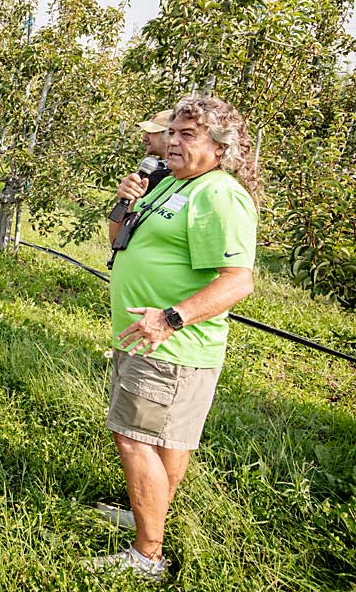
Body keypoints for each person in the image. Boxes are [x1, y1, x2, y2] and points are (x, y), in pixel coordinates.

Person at [88, 95, 259, 582]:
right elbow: (118, 239)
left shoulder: (217, 194)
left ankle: (147, 556)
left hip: (170, 348)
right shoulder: (173, 183)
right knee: (163, 443)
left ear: (220, 147)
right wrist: (124, 203)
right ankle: (150, 515)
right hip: (142, 339)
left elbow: (236, 280)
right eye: (174, 132)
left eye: (189, 135)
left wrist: (170, 318)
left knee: (134, 438)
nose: (174, 141)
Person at [136, 109, 174, 192]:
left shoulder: (178, 174)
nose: (144, 138)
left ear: (169, 135)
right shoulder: (151, 169)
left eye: (150, 133)